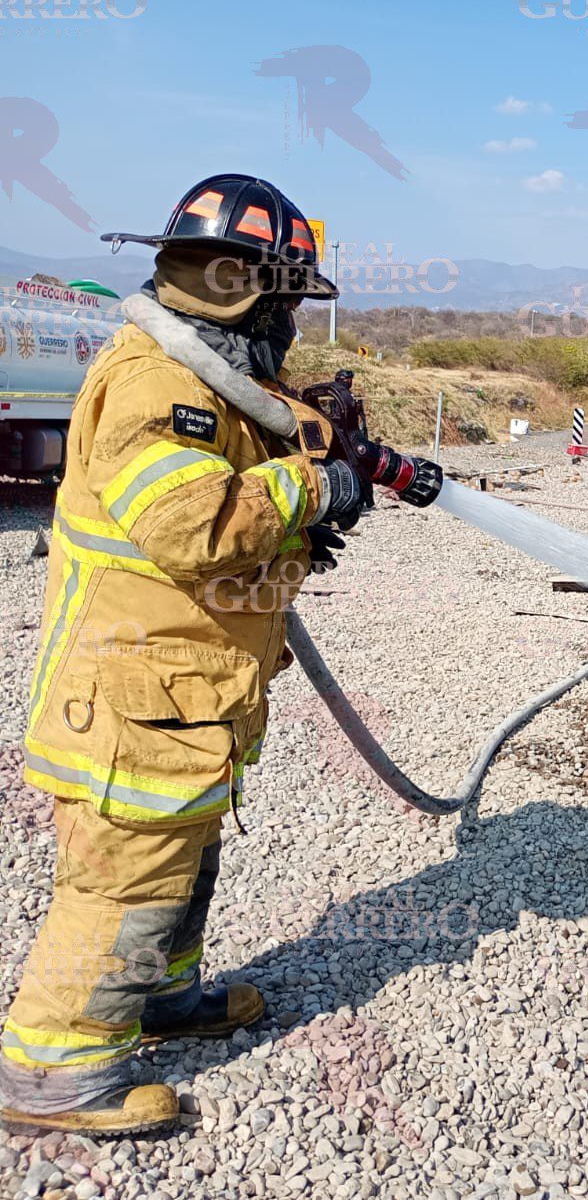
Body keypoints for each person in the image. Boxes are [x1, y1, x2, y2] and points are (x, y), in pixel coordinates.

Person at [1, 175, 366, 1136]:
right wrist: (314, 492)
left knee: (182, 857)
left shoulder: (214, 377)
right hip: (129, 706)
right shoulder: (154, 383)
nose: (291, 319)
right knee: (123, 880)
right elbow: (192, 523)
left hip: (183, 702)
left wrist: (320, 467)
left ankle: (163, 998)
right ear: (239, 285)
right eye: (285, 296)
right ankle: (54, 1073)